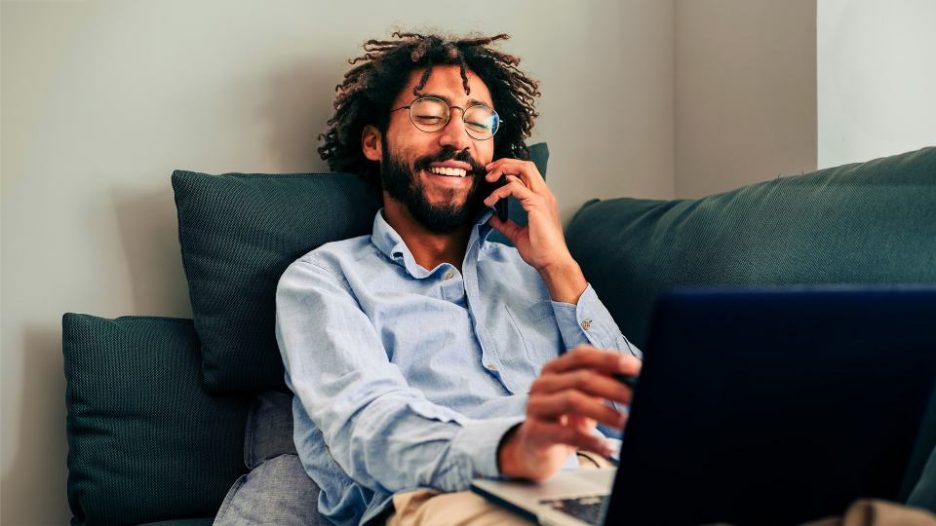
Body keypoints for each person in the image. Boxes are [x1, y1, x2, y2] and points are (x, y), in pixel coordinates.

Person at [275, 32, 642, 526]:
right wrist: (512, 448)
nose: (456, 138)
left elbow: (644, 409)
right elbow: (368, 428)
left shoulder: (537, 273)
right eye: (429, 113)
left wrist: (561, 267)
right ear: (373, 141)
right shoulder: (324, 280)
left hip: (600, 482)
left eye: (477, 121)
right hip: (443, 497)